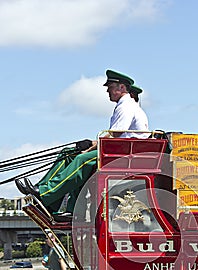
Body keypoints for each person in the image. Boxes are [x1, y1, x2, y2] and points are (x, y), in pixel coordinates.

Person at [15, 69, 149, 216]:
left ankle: (45, 193)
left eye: (110, 87)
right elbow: (114, 135)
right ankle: (46, 196)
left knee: (80, 160)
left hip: (122, 154)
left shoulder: (127, 105)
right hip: (118, 150)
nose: (107, 92)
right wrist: (90, 144)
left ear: (121, 88)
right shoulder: (124, 105)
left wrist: (90, 149)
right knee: (68, 154)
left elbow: (115, 134)